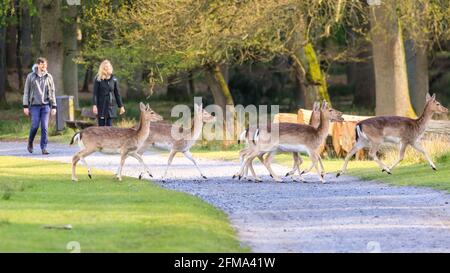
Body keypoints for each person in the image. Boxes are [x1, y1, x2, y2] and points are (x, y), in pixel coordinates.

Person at [22, 57, 57, 155]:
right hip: (34, 106)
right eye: (42, 64)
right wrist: (25, 106)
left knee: (45, 127)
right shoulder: (31, 76)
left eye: (45, 65)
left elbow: (53, 92)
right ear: (38, 65)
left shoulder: (49, 77)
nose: (44, 66)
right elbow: (26, 92)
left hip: (46, 106)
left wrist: (54, 106)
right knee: (34, 126)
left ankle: (44, 148)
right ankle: (30, 142)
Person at [92, 60, 125, 126]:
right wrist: (94, 105)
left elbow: (117, 94)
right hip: (101, 106)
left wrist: (121, 106)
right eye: (107, 66)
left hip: (111, 106)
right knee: (101, 127)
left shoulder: (114, 79)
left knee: (109, 127)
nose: (109, 68)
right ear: (103, 68)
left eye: (110, 66)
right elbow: (95, 93)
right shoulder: (98, 79)